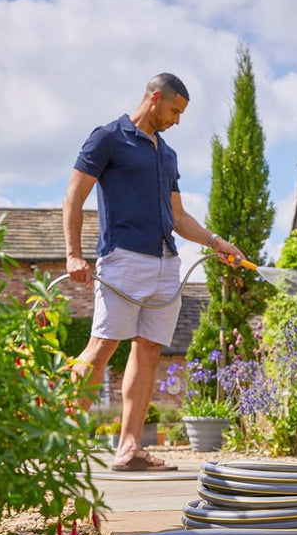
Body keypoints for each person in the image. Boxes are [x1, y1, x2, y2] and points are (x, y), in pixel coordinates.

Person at [62, 72, 244, 472]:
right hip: (123, 258)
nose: (177, 119)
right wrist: (74, 254)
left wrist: (216, 241)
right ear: (155, 97)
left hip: (166, 263)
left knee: (148, 352)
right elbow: (75, 195)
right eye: (174, 110)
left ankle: (129, 448)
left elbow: (178, 216)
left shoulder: (167, 154)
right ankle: (61, 438)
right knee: (102, 347)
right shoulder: (108, 137)